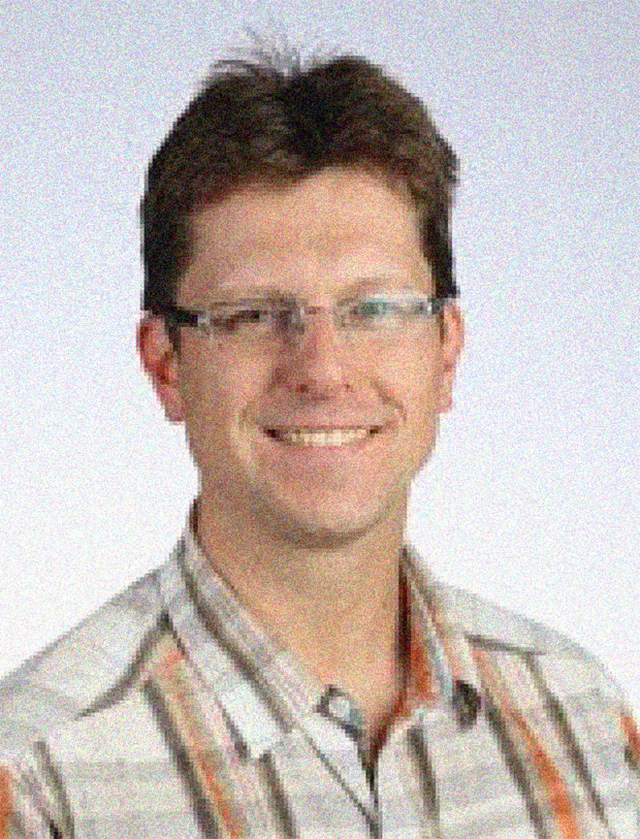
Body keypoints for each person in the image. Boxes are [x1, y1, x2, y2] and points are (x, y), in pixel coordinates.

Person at [0, 50, 637, 839]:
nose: (323, 368)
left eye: (374, 309)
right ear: (167, 365)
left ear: (446, 351)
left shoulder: (583, 720)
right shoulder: (39, 774)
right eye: (253, 315)